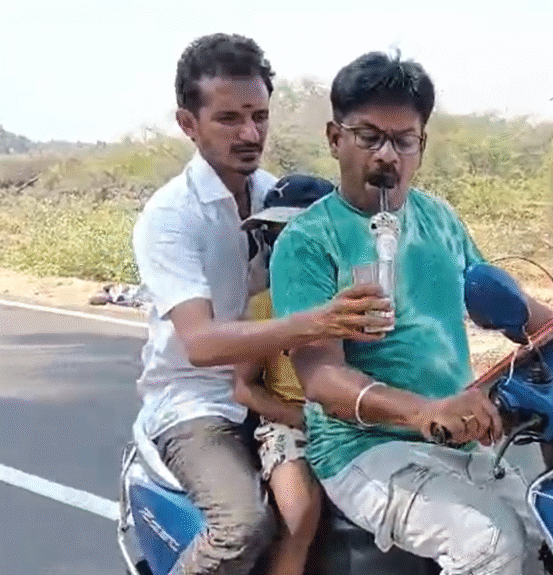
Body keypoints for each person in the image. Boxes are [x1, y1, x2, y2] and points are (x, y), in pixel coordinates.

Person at [267, 51, 553, 575]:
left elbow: (502, 302)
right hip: (362, 449)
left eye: (404, 141)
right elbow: (323, 379)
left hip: (454, 439)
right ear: (335, 138)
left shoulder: (438, 219)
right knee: (487, 544)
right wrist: (422, 412)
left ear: (421, 146)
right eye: (369, 137)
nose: (388, 155)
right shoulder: (309, 240)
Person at [131, 34, 392, 575]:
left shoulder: (281, 197)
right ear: (188, 124)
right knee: (243, 526)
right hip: (197, 403)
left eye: (259, 116)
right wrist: (315, 322)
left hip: (284, 389)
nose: (250, 134)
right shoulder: (171, 217)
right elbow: (201, 344)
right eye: (229, 119)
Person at [234, 174, 388, 575]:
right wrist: (300, 417)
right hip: (292, 423)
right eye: (277, 236)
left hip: (358, 418)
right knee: (301, 513)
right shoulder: (265, 308)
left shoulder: (363, 301)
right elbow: (243, 388)